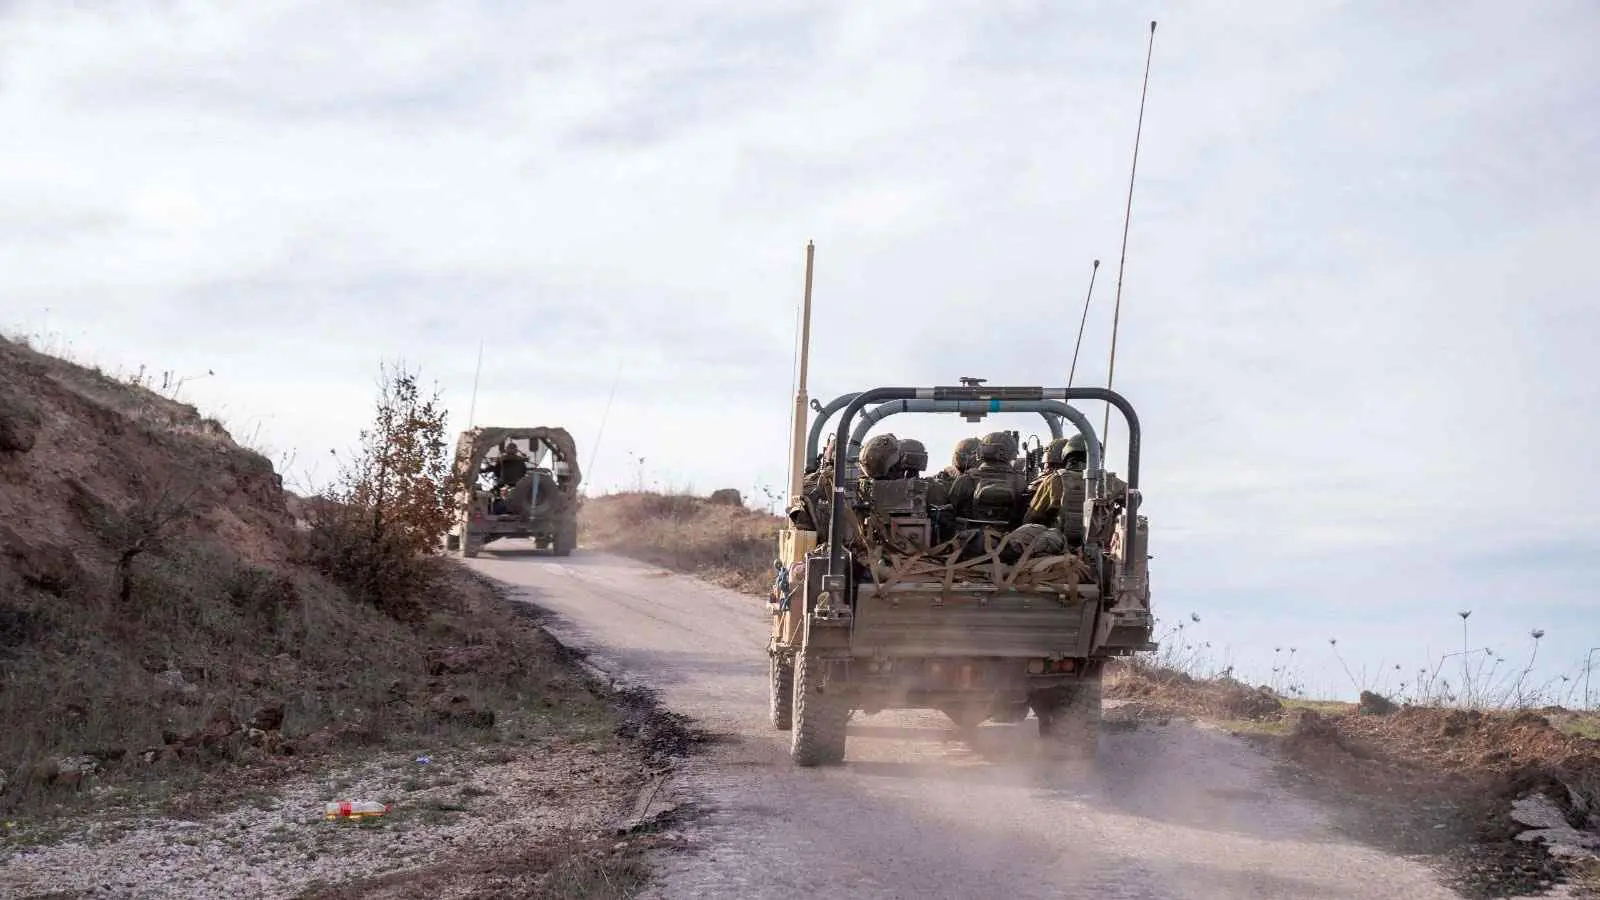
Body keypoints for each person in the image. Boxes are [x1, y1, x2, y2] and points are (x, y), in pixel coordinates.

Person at [948, 431, 1027, 529]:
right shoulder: (1022, 482)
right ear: (1013, 454)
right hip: (1011, 540)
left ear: (981, 451)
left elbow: (951, 511)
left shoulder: (965, 480)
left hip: (969, 540)